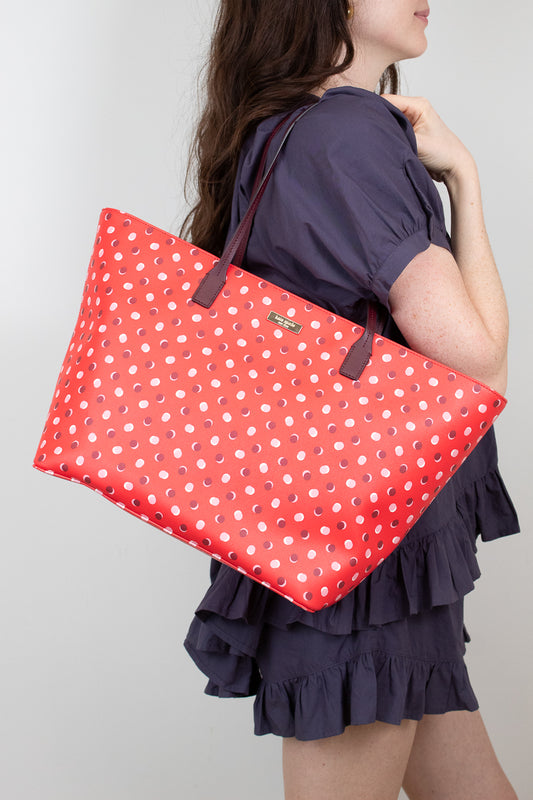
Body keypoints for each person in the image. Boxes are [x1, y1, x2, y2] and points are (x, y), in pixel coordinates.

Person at [180, 2, 520, 798]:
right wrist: (465, 179)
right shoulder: (347, 136)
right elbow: (478, 366)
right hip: (366, 550)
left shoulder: (285, 130)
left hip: (348, 536)